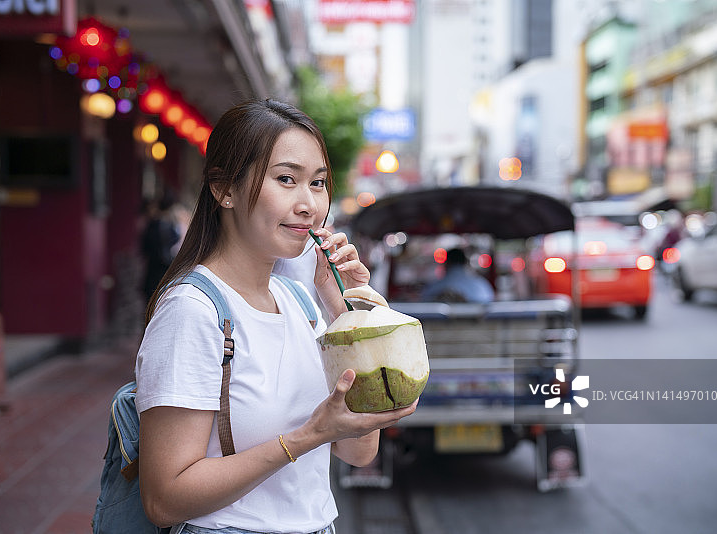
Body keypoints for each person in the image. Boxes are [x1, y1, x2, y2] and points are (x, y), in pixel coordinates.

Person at [135, 99, 418, 533]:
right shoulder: (193, 311)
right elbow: (164, 498)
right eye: (286, 179)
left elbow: (358, 452)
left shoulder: (301, 302)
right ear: (223, 189)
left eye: (319, 183)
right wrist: (306, 437)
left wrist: (350, 311)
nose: (309, 204)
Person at [141, 191, 181, 304]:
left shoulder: (156, 224)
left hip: (157, 265)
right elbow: (175, 237)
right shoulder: (164, 223)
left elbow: (145, 247)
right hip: (162, 264)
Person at [422, 247, 494, 303]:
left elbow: (424, 301)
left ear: (447, 263)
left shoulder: (434, 286)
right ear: (465, 262)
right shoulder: (482, 286)